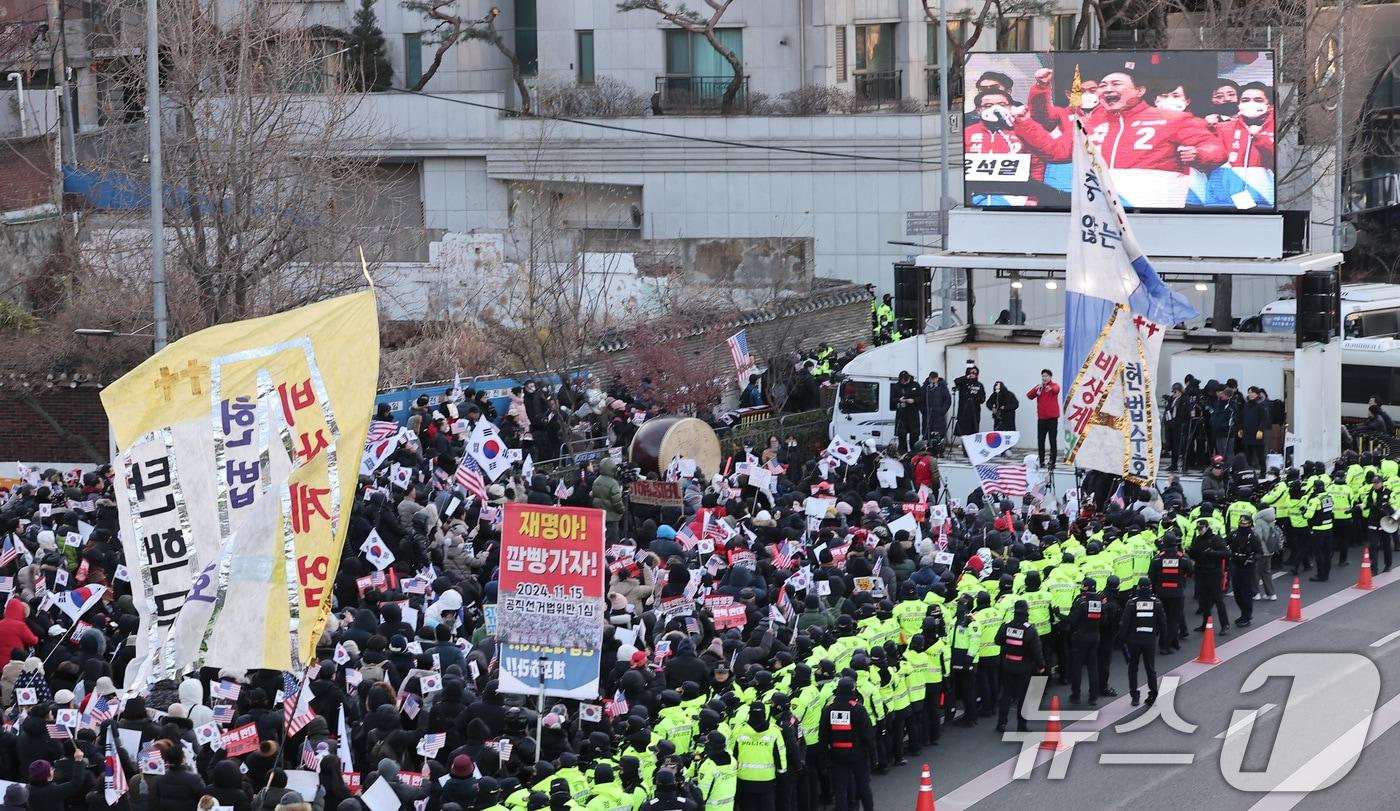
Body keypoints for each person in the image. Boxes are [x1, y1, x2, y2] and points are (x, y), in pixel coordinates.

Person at [1010, 68, 1227, 208]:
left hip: (1154, 213)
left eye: (1116, 84)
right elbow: (1056, 152)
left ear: (1139, 90)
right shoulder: (1090, 122)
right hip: (1101, 214)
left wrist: (1199, 154)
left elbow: (1215, 149)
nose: (1107, 89)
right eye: (1103, 86)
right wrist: (1024, 122)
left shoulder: (1173, 119)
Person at [819, 677, 875, 811]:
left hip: (837, 754)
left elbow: (823, 736)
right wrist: (873, 754)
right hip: (858, 754)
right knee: (863, 785)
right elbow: (868, 735)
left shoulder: (829, 709)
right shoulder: (858, 709)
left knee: (840, 788)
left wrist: (825, 757)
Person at [994, 600, 1043, 733]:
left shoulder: (1006, 626)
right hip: (1024, 667)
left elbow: (997, 640)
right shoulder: (1030, 629)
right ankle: (1021, 726)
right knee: (1024, 696)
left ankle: (1001, 723)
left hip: (1007, 664)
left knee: (1006, 694)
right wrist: (1041, 665)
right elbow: (1036, 651)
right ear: (1027, 611)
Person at [1117, 577, 1166, 707]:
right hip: (1150, 640)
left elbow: (1124, 624)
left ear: (1138, 588)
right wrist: (1162, 639)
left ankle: (1135, 695)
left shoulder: (1131, 603)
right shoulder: (1157, 603)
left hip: (1134, 640)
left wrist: (1121, 640)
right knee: (1150, 668)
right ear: (1150, 588)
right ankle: (1153, 693)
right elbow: (1163, 623)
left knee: (1133, 668)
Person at [1227, 514, 1264, 626]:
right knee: (1237, 592)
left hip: (1247, 567)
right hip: (1236, 565)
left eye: (1245, 524)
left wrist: (1251, 559)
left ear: (1249, 524)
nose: (1242, 525)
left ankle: (1247, 616)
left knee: (1246, 593)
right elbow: (1224, 543)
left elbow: (1259, 552)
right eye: (1241, 523)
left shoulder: (1253, 537)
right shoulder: (1233, 534)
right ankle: (1244, 613)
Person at [1026, 369, 1061, 469]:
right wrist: (1038, 388)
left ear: (1050, 377)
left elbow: (1056, 390)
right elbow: (1029, 396)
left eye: (1046, 376)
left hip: (1052, 419)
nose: (1044, 378)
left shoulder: (1054, 385)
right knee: (1040, 441)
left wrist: (1049, 388)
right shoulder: (1039, 388)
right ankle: (1041, 461)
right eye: (1043, 376)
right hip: (1041, 418)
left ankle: (1052, 461)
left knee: (1052, 440)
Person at [891, 371, 923, 454]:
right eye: (902, 381)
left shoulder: (916, 385)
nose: (904, 383)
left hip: (913, 415)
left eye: (905, 381)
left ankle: (914, 453)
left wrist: (914, 400)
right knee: (901, 436)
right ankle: (903, 453)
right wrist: (899, 400)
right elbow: (892, 400)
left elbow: (921, 398)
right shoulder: (896, 386)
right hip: (901, 415)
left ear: (909, 379)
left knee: (914, 436)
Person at [1240, 387, 1270, 472]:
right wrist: (1241, 428)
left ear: (1257, 394)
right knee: (1248, 455)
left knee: (1260, 455)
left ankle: (1263, 472)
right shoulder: (1246, 405)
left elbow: (1264, 419)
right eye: (1249, 392)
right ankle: (1247, 471)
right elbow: (1242, 417)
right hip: (1247, 433)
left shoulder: (1262, 405)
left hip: (1257, 434)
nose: (1250, 394)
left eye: (1252, 392)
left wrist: (1260, 430)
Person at [952, 365, 986, 440]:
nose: (973, 374)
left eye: (975, 373)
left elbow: (983, 398)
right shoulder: (963, 383)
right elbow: (956, 381)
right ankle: (965, 448)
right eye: (972, 372)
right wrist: (967, 377)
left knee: (973, 433)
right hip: (964, 412)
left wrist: (978, 398)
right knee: (964, 433)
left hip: (974, 413)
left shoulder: (979, 385)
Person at [921, 372, 952, 449]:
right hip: (927, 415)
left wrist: (943, 410)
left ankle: (939, 449)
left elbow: (947, 400)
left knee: (939, 432)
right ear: (929, 378)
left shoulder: (943, 387)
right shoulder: (925, 387)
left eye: (935, 378)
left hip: (939, 415)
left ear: (937, 378)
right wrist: (924, 410)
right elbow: (920, 400)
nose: (933, 380)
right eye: (932, 378)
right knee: (927, 432)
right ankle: (927, 448)